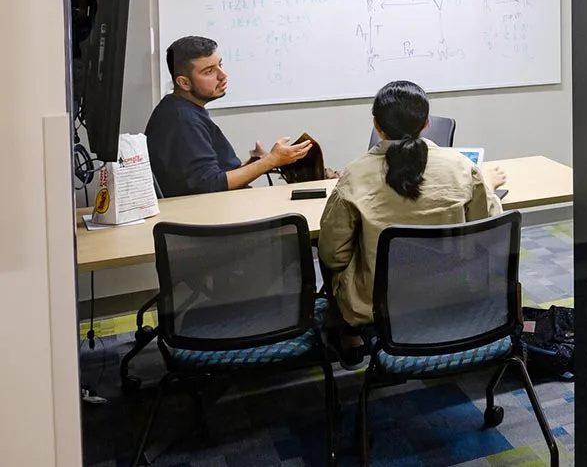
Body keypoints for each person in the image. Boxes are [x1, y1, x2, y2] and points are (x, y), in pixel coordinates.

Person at [319, 80, 509, 345]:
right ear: (426, 123)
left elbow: (333, 255)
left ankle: (349, 340)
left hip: (378, 305)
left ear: (377, 125)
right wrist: (485, 185)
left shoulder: (355, 175)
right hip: (455, 291)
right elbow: (490, 228)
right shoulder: (461, 167)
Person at [145, 36, 313, 197]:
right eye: (209, 71)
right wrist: (271, 161)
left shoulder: (183, 109)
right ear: (184, 82)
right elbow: (209, 185)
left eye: (220, 65)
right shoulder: (182, 120)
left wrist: (255, 163)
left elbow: (208, 175)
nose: (222, 75)